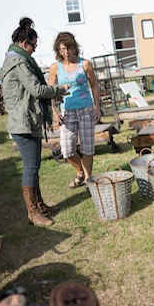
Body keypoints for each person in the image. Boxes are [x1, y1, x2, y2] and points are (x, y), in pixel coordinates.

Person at [0, 17, 70, 226]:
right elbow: (37, 90)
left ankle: (38, 205)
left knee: (34, 166)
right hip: (23, 124)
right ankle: (32, 213)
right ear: (24, 43)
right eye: (33, 45)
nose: (34, 50)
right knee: (30, 168)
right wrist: (60, 89)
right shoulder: (19, 62)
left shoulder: (16, 60)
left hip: (27, 121)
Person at [48, 32, 101, 189]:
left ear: (74, 47)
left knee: (87, 147)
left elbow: (94, 86)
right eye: (62, 49)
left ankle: (88, 179)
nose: (66, 52)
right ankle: (80, 172)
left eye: (69, 48)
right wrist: (54, 111)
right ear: (58, 50)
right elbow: (50, 91)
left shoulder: (84, 64)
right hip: (67, 111)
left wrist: (97, 107)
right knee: (67, 149)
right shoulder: (55, 68)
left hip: (85, 109)